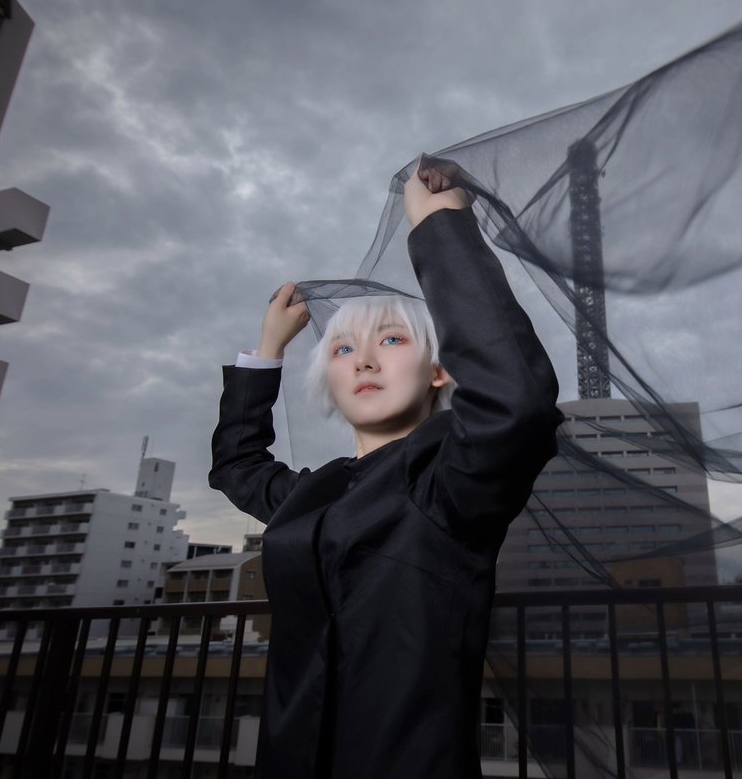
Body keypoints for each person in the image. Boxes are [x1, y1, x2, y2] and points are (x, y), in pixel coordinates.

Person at [209, 157, 564, 778]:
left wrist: (441, 227)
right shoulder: (315, 491)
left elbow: (515, 401)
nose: (363, 361)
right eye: (343, 348)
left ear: (439, 371)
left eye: (392, 340)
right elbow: (238, 465)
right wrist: (268, 349)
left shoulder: (450, 479)